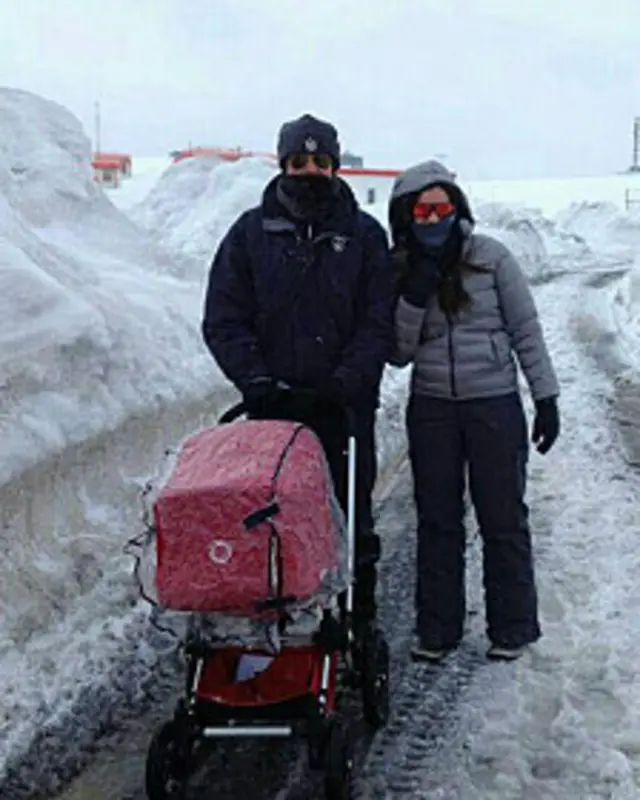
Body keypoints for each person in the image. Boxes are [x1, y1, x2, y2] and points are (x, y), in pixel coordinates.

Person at [201, 113, 396, 629]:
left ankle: (355, 619)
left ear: (334, 166)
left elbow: (378, 321)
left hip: (342, 409)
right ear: (283, 164)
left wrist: (344, 383)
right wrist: (258, 383)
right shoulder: (249, 235)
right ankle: (272, 615)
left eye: (320, 161)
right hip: (272, 410)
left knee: (347, 515)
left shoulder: (364, 237)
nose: (309, 170)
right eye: (298, 161)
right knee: (270, 513)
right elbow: (224, 317)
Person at [388, 160, 560, 662]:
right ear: (407, 216)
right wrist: (415, 295)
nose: (432, 218)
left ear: (457, 209)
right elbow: (398, 352)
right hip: (433, 409)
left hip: (494, 405)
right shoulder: (400, 269)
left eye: (441, 207)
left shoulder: (493, 258)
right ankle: (437, 631)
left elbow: (526, 330)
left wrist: (545, 397)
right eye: (422, 210)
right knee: (437, 520)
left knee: (502, 516)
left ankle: (512, 627)